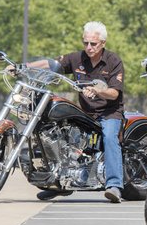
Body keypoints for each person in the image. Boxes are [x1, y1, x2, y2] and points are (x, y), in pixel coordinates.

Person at [22, 21, 126, 203]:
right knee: (59, 135)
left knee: (110, 137)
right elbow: (51, 63)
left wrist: (98, 90)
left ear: (103, 43)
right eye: (85, 43)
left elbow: (115, 93)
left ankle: (114, 185)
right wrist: (25, 66)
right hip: (85, 112)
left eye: (93, 44)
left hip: (109, 111)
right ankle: (57, 184)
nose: (89, 47)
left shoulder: (113, 61)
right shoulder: (77, 58)